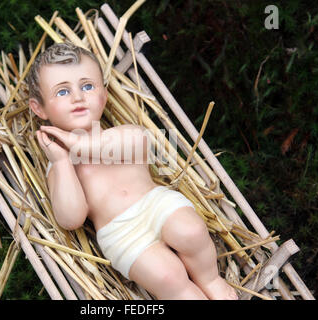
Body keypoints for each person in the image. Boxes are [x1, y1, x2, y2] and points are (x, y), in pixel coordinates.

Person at [27, 42, 237, 300]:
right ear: (39, 108)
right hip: (122, 235)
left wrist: (79, 144)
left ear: (103, 95)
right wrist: (61, 163)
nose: (78, 97)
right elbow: (71, 219)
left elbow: (137, 143)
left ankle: (210, 279)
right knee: (166, 277)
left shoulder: (121, 134)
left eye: (87, 86)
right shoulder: (59, 163)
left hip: (155, 203)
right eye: (62, 92)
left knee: (191, 231)